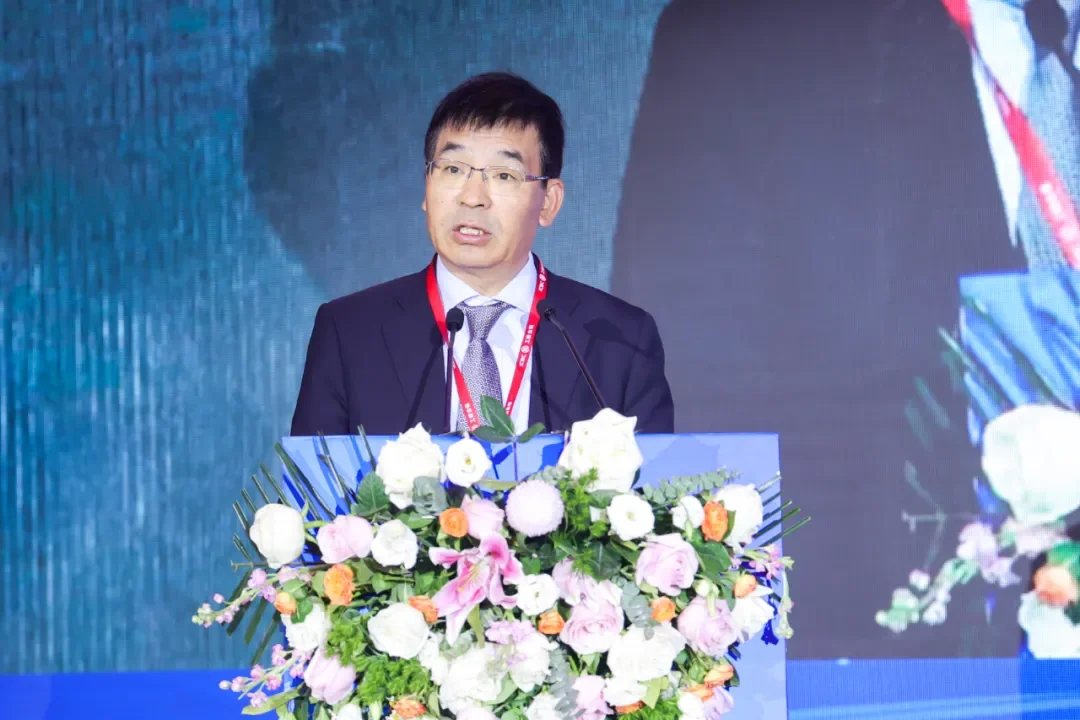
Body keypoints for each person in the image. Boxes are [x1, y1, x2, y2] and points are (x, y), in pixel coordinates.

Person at [290, 72, 674, 438]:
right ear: (426, 186)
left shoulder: (621, 340)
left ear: (548, 202)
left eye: (504, 175)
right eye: (453, 169)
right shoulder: (350, 333)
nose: (472, 197)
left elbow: (655, 482)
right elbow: (314, 482)